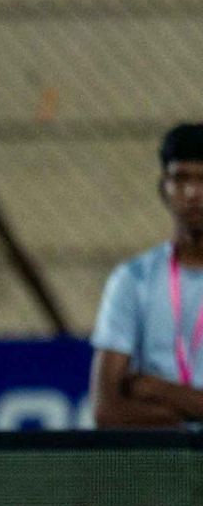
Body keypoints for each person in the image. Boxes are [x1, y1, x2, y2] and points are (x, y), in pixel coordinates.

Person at [90, 123, 203, 428]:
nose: (193, 193)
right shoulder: (133, 279)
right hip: (162, 463)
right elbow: (106, 410)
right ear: (163, 188)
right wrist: (187, 427)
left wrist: (156, 389)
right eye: (181, 179)